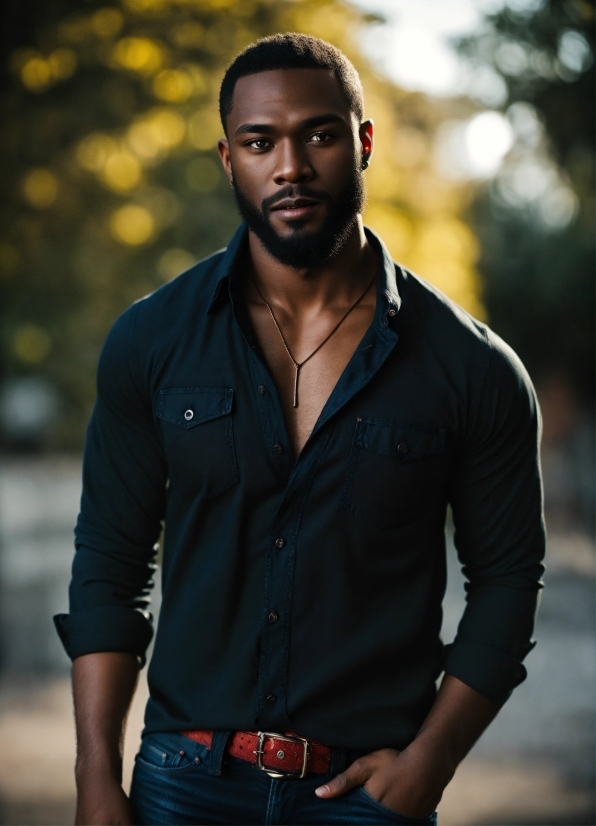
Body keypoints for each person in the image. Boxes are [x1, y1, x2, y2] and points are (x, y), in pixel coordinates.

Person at [55, 33, 545, 826]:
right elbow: (110, 566)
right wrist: (96, 779)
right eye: (259, 142)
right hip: (183, 781)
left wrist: (431, 762)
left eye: (318, 134)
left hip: (365, 795)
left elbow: (508, 581)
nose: (290, 165)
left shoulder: (474, 369)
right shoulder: (152, 342)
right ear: (228, 158)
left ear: (363, 143)